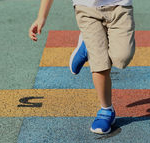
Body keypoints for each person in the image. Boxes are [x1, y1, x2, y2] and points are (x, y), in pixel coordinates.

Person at [29, 0, 135, 134]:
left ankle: (87, 43)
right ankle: (106, 110)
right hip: (87, 9)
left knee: (122, 58)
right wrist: (41, 17)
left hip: (119, 7)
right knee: (100, 64)